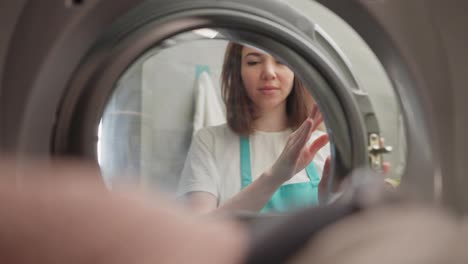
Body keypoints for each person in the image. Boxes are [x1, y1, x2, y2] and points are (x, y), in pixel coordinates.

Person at [178, 43, 331, 214]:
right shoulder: (209, 141)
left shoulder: (322, 145)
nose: (269, 73)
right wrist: (275, 176)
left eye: (281, 61)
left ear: (297, 71)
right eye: (253, 62)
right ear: (237, 72)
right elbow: (198, 233)